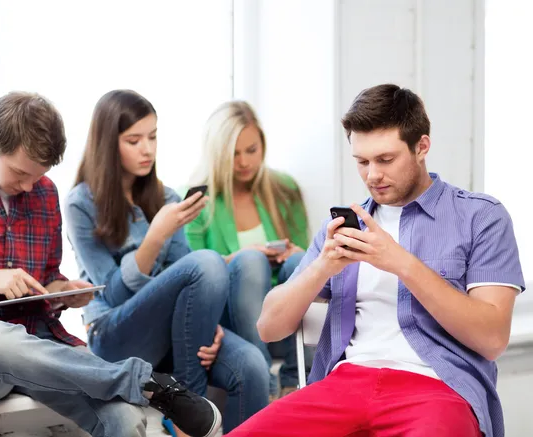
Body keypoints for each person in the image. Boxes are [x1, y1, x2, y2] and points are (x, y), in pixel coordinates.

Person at [224, 84, 525, 437]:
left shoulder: (481, 217)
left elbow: (491, 339)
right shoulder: (340, 229)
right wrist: (323, 266)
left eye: (385, 159)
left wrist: (400, 262)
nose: (372, 175)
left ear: (422, 147)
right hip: (344, 384)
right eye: (362, 162)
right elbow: (269, 328)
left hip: (438, 386)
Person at [0, 92, 224, 437]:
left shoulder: (43, 192)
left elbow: (47, 280)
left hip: (41, 351)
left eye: (37, 175)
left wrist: (63, 293)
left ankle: (142, 387)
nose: (29, 186)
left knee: (126, 417)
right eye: (20, 173)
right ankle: (145, 382)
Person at [64, 90, 269, 436]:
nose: (148, 149)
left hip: (175, 334)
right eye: (134, 140)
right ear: (107, 144)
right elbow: (112, 294)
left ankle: (190, 408)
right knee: (206, 261)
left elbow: (195, 280)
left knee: (252, 366)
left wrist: (212, 328)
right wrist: (155, 235)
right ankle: (191, 410)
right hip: (114, 335)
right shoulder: (81, 204)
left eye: (153, 136)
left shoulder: (167, 198)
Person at [185, 101, 310, 399]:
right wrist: (241, 256)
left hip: (282, 323)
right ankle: (264, 385)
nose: (243, 162)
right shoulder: (195, 201)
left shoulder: (284, 189)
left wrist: (293, 252)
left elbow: (309, 259)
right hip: (231, 322)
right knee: (252, 260)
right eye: (233, 154)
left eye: (251, 151)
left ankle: (296, 380)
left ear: (262, 146)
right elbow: (191, 273)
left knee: (302, 261)